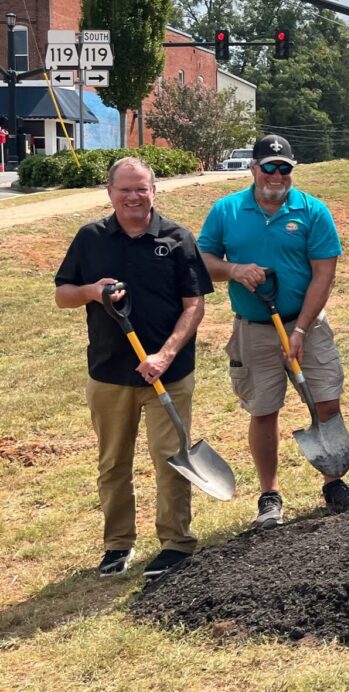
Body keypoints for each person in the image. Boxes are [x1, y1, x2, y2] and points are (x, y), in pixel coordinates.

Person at [54, 157, 213, 578]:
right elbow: (62, 294)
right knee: (113, 464)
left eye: (141, 188)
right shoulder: (91, 238)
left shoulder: (178, 238)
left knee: (171, 458)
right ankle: (117, 545)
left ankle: (176, 543)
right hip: (109, 373)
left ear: (154, 191)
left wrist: (165, 355)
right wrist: (91, 290)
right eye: (125, 189)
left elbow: (194, 305)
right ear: (109, 192)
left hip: (169, 374)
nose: (133, 197)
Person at [197, 135, 349, 527]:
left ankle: (333, 483)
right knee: (264, 410)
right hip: (254, 330)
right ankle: (270, 495)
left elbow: (324, 274)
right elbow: (203, 260)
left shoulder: (312, 211)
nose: (277, 175)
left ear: (292, 171)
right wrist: (235, 270)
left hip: (306, 325)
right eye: (269, 167)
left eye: (284, 168)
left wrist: (302, 329)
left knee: (326, 401)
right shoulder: (226, 211)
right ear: (253, 168)